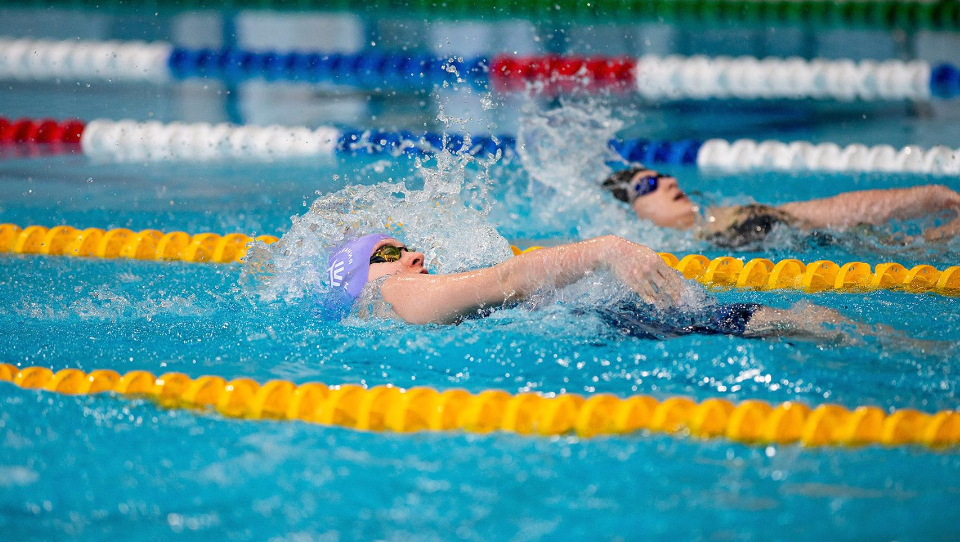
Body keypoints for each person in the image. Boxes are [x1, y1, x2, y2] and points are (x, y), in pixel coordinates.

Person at [323, 233, 877, 343]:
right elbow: (510, 279)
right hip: (616, 328)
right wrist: (607, 249)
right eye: (389, 253)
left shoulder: (382, 313)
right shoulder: (390, 297)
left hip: (602, 328)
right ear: (357, 279)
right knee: (801, 320)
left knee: (799, 322)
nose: (416, 255)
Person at [599, 166, 960, 249]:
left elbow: (828, 210)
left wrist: (931, 197)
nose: (669, 182)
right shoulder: (651, 252)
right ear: (631, 213)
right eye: (648, 185)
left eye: (663, 175)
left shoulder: (727, 216)